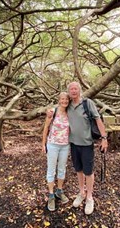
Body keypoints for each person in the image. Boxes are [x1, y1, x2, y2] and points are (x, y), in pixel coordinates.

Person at [66, 81, 108, 215]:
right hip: (73, 143)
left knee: (88, 172)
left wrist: (104, 138)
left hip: (87, 144)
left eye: (76, 88)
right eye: (71, 89)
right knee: (78, 170)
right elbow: (57, 110)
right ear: (69, 92)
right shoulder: (67, 105)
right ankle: (81, 192)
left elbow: (98, 120)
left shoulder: (87, 103)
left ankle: (89, 197)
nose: (73, 91)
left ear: (80, 90)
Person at [41, 92, 71, 212]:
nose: (64, 101)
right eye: (62, 99)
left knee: (62, 169)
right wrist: (43, 144)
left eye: (66, 99)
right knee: (51, 169)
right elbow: (46, 128)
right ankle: (51, 194)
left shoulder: (70, 113)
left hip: (65, 145)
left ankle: (59, 190)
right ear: (59, 100)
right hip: (52, 144)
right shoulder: (52, 112)